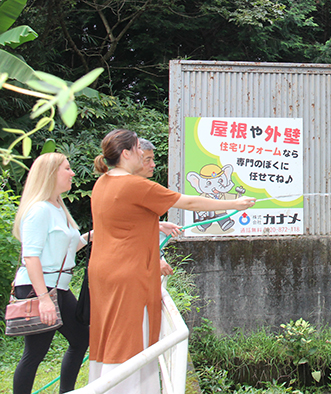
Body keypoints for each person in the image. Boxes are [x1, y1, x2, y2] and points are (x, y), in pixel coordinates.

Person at [88, 129, 256, 393]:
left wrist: (155, 223)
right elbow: (188, 202)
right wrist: (235, 203)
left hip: (103, 269)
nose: (144, 156)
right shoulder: (135, 185)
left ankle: (102, 386)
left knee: (110, 334)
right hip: (128, 272)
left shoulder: (103, 182)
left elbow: (123, 219)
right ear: (126, 154)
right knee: (130, 338)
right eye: (137, 149)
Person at [12, 153, 89, 394]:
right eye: (67, 168)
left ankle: (67, 391)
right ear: (51, 173)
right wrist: (44, 298)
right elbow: (30, 256)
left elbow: (71, 245)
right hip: (38, 289)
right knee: (35, 353)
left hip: (59, 289)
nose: (72, 173)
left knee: (80, 340)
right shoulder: (39, 210)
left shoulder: (59, 208)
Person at [136, 137, 174, 276]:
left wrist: (158, 225)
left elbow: (133, 224)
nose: (153, 165)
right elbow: (129, 235)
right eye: (148, 160)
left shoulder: (138, 186)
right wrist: (155, 259)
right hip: (136, 267)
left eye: (153, 159)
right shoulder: (134, 187)